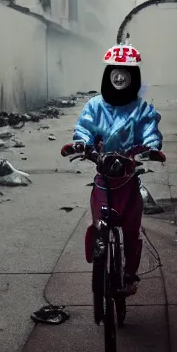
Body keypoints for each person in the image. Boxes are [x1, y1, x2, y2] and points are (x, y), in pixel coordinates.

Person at [62, 44, 165, 295]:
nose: (119, 77)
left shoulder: (142, 109)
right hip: (103, 174)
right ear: (108, 74)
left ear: (133, 77)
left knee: (131, 230)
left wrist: (150, 148)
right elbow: (85, 129)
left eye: (125, 73)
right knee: (98, 224)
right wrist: (82, 145)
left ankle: (129, 275)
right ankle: (99, 257)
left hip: (128, 176)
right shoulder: (95, 106)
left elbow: (150, 131)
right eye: (115, 72)